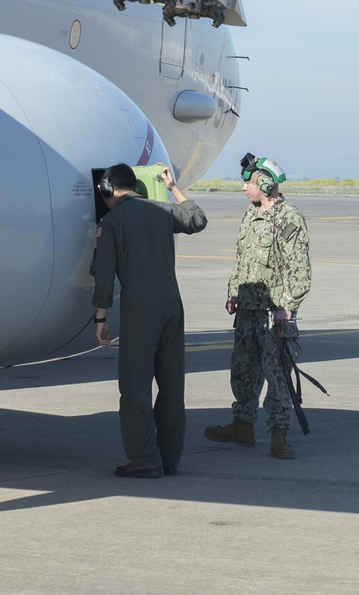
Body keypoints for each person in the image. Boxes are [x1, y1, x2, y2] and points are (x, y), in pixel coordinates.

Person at [91, 162, 208, 478]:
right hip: (172, 301)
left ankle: (144, 457)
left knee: (135, 385)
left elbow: (104, 275)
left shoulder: (111, 222)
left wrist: (101, 318)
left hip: (141, 305)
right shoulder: (162, 210)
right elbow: (197, 219)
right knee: (171, 384)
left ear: (107, 189)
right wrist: (172, 188)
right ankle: (169, 457)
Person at [204, 153, 311, 459]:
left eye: (248, 183)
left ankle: (279, 434)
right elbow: (242, 258)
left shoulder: (288, 218)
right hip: (248, 311)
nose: (243, 188)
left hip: (274, 315)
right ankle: (243, 424)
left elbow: (299, 270)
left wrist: (286, 306)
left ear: (265, 184)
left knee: (277, 375)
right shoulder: (251, 215)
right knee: (243, 367)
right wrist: (233, 292)